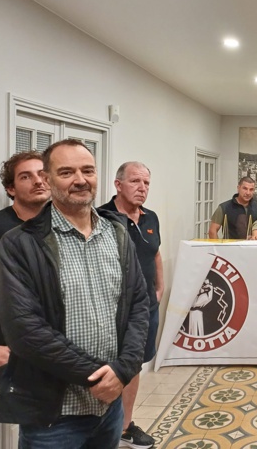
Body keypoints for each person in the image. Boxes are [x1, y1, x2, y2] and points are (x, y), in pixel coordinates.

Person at [0, 139, 150, 448]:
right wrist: (99, 377)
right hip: (54, 417)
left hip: (110, 409)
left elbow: (139, 305)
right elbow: (24, 330)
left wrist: (124, 370)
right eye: (66, 172)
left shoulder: (117, 234)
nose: (80, 180)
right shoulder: (20, 243)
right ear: (48, 180)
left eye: (87, 170)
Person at [99, 161, 163, 449]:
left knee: (134, 365)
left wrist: (159, 288)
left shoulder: (151, 218)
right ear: (118, 184)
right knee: (110, 365)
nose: (142, 188)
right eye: (135, 181)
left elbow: (155, 254)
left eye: (146, 183)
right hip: (114, 309)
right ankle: (102, 428)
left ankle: (125, 426)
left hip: (146, 307)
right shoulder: (101, 218)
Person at [0, 152, 50, 390]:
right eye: (26, 177)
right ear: (11, 189)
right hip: (8, 351)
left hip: (48, 347)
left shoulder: (56, 226)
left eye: (42, 174)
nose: (38, 181)